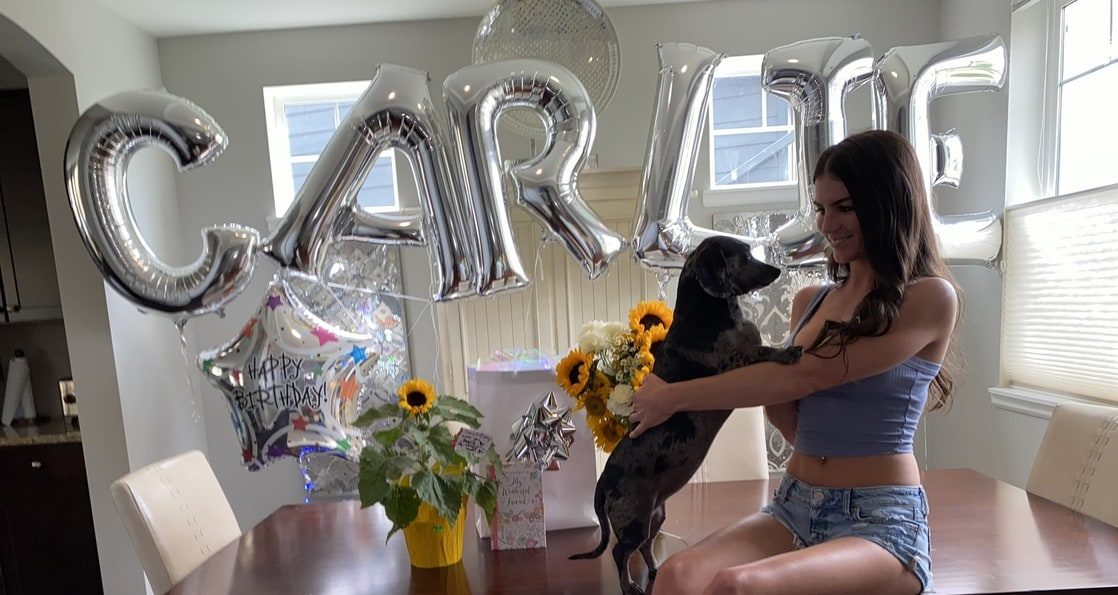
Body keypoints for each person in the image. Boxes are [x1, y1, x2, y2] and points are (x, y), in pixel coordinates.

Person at [629, 129, 961, 595]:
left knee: (734, 587)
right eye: (822, 209)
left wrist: (672, 397)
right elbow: (785, 402)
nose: (827, 225)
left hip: (881, 521)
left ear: (889, 204)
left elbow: (806, 374)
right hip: (794, 505)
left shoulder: (929, 299)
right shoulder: (810, 300)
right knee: (676, 577)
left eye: (844, 207)